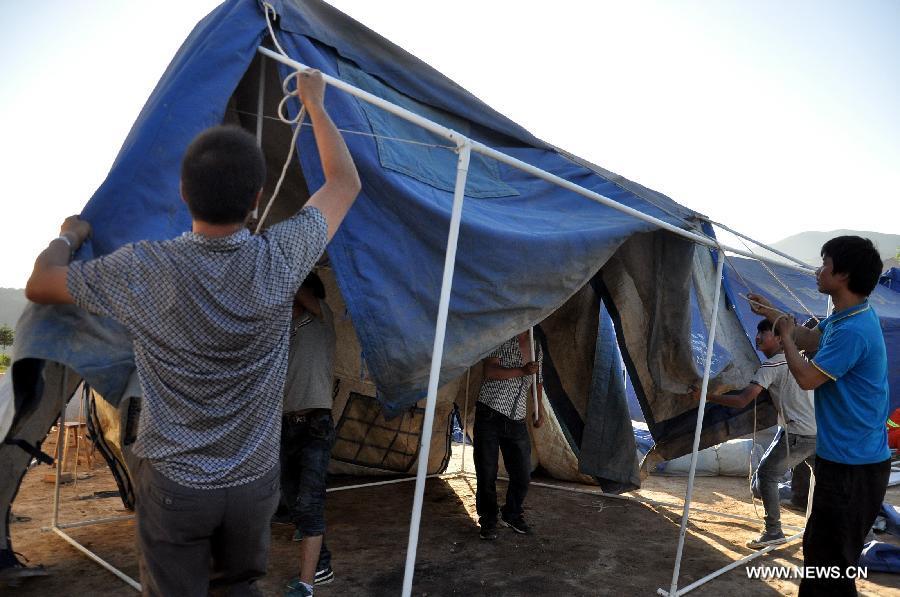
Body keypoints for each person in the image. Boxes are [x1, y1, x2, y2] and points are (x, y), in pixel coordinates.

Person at [25, 70, 360, 596]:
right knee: (239, 587)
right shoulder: (280, 258)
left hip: (177, 487)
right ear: (256, 198)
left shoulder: (145, 269)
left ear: (183, 194)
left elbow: (41, 284)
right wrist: (315, 104)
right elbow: (344, 183)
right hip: (252, 486)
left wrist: (68, 236)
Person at [748, 235, 889, 597]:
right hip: (845, 462)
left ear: (842, 275)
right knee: (823, 562)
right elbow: (812, 339)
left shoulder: (854, 330)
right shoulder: (845, 318)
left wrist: (785, 341)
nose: (817, 270)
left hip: (853, 470)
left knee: (830, 569)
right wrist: (772, 316)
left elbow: (808, 377)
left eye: (824, 264)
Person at [690, 319, 816, 548]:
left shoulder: (771, 366)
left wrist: (707, 396)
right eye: (757, 332)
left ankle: (774, 531)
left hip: (798, 433)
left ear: (780, 338)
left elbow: (741, 400)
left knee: (766, 475)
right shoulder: (799, 360)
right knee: (826, 481)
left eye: (764, 333)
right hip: (816, 431)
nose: (758, 337)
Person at [281, 272, 337, 596]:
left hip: (316, 424)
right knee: (295, 502)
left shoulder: (322, 317)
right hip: (288, 425)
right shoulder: (286, 330)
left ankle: (308, 582)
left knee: (308, 503)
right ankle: (322, 562)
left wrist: (288, 264)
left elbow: (295, 290)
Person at [473, 331, 545, 540]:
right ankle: (488, 519)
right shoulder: (501, 335)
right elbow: (490, 371)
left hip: (517, 417)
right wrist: (522, 370)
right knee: (487, 472)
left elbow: (538, 379)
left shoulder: (536, 345)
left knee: (523, 473)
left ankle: (511, 513)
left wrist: (538, 407)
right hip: (490, 412)